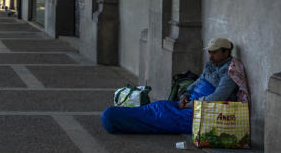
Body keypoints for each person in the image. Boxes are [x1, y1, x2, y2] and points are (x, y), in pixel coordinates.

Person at [100, 37, 240, 134]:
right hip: (190, 102)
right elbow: (198, 81)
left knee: (162, 117)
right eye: (209, 52)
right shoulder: (211, 64)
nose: (210, 56)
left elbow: (217, 97)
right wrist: (185, 95)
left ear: (226, 52)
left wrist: (190, 104)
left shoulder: (229, 72)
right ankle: (116, 117)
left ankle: (114, 119)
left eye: (214, 52)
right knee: (160, 106)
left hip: (202, 110)